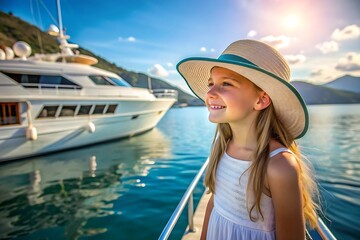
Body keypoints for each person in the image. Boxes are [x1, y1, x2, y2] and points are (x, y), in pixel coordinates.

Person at [177, 39, 320, 240]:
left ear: (261, 100)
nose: (209, 93)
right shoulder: (223, 147)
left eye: (226, 83)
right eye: (211, 84)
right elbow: (214, 203)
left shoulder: (279, 166)